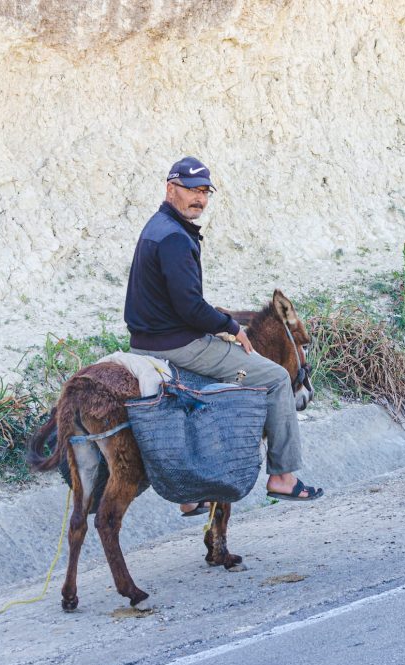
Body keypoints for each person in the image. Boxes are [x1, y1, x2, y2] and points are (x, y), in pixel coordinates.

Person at [125, 156, 323, 514]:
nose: (199, 198)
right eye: (191, 190)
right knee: (276, 377)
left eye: (204, 191)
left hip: (145, 341)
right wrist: (230, 328)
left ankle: (190, 495)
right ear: (171, 189)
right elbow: (188, 307)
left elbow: (177, 300)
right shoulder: (173, 238)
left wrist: (221, 315)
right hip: (179, 345)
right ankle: (283, 476)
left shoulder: (157, 227)